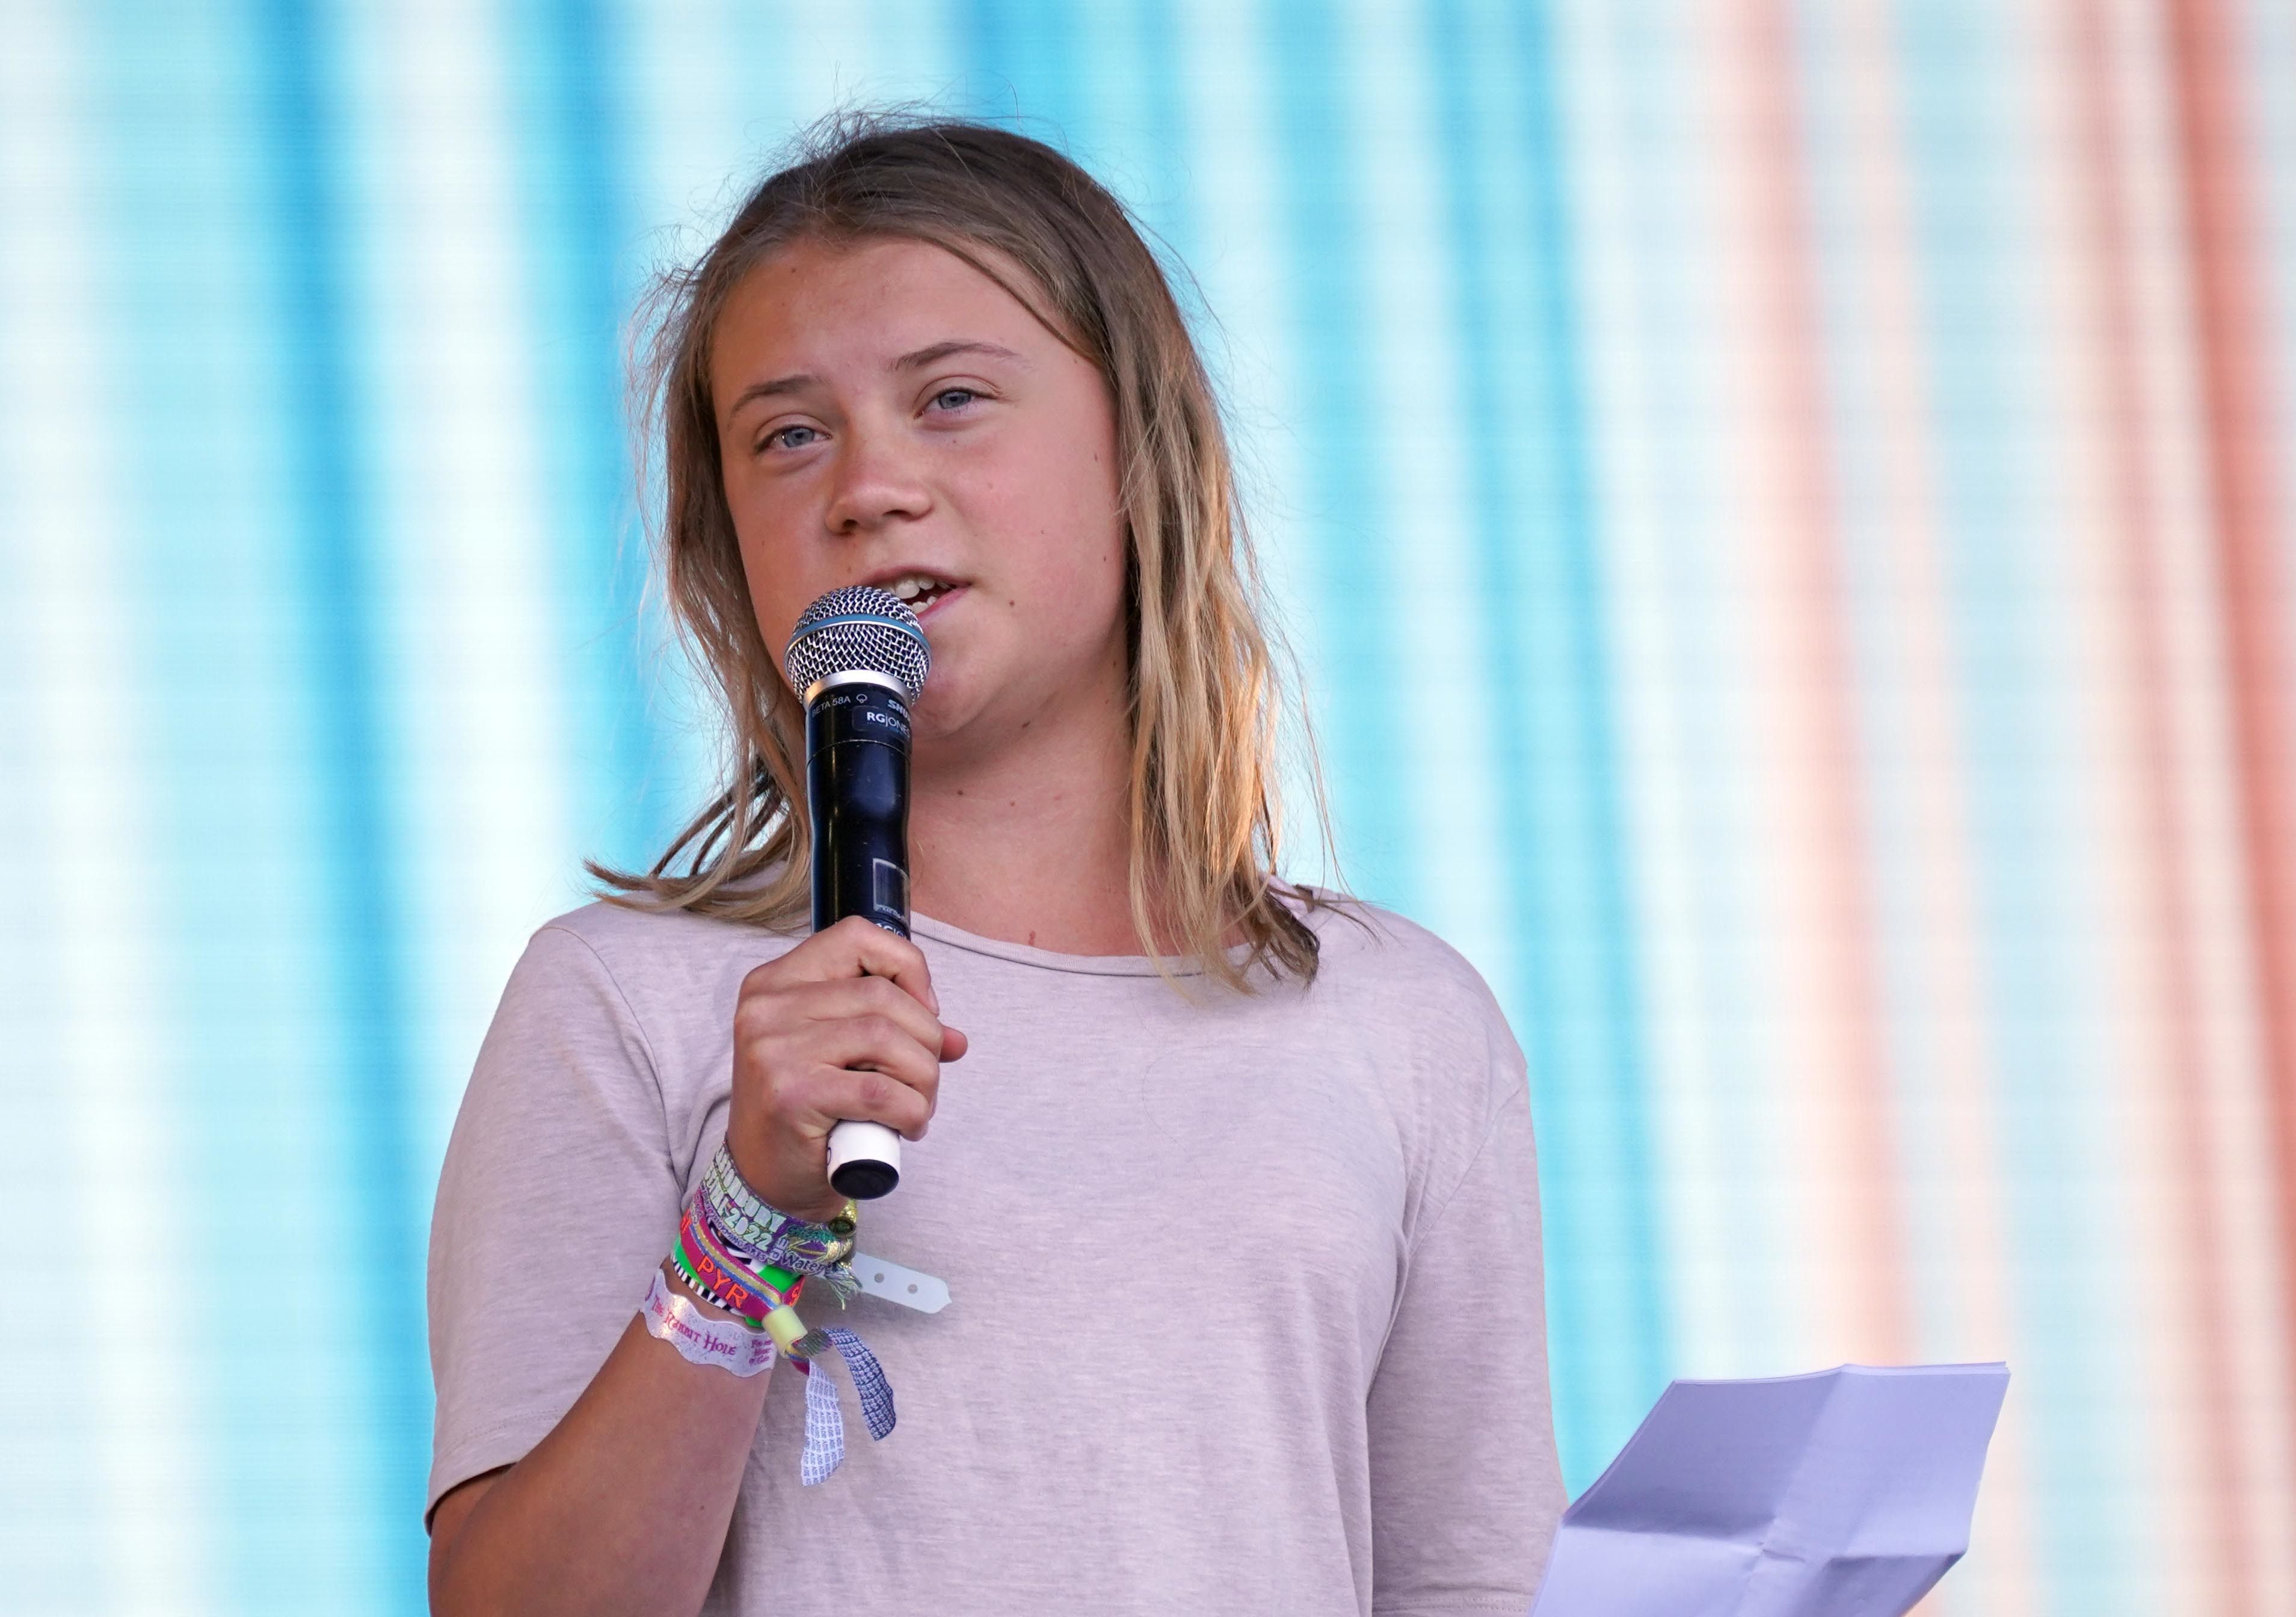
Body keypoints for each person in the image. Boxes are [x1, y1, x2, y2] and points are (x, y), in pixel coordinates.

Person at [423, 114, 1563, 1617]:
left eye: (952, 399)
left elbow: (1473, 1583)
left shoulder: (1401, 1024)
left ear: (1137, 455)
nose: (869, 486)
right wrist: (745, 1222)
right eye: (787, 433)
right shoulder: (627, 1005)